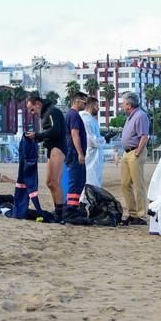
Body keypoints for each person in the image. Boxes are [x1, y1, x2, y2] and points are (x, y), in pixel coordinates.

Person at [25, 96, 68, 221]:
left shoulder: (52, 111)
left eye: (32, 109)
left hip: (58, 147)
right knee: (49, 182)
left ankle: (60, 213)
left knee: (55, 181)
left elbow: (56, 130)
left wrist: (37, 135)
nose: (31, 113)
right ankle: (58, 210)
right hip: (51, 148)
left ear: (38, 104)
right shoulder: (45, 114)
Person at [119, 92, 150, 225]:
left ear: (129, 104)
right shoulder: (130, 117)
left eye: (123, 103)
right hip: (127, 153)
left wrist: (138, 151)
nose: (122, 105)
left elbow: (144, 136)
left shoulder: (140, 116)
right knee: (125, 184)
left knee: (138, 184)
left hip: (135, 152)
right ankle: (132, 213)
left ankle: (141, 215)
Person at [63, 92, 89, 223]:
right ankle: (71, 208)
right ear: (77, 101)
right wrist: (80, 153)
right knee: (76, 180)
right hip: (74, 153)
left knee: (80, 180)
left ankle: (74, 205)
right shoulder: (73, 115)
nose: (86, 105)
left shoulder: (71, 115)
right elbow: (75, 134)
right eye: (84, 102)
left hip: (72, 153)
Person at [79, 97, 105, 194]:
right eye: (97, 106)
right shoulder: (85, 119)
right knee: (90, 180)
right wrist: (104, 139)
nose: (98, 108)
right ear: (91, 106)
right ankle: (85, 203)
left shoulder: (91, 119)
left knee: (95, 180)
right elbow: (91, 140)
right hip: (90, 155)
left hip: (95, 156)